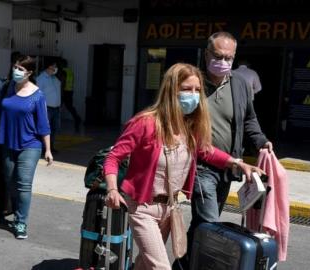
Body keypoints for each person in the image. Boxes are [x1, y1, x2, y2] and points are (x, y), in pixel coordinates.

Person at [103, 63, 263, 270]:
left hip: (170, 208)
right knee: (160, 267)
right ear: (171, 90)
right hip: (142, 208)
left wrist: (238, 164)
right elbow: (113, 157)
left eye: (197, 90)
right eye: (187, 89)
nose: (193, 95)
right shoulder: (145, 123)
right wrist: (113, 189)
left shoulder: (189, 126)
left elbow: (206, 151)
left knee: (144, 264)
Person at [175, 32, 273, 268]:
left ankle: (185, 264)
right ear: (206, 53)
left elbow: (249, 118)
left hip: (228, 168)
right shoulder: (193, 83)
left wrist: (261, 140)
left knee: (202, 223)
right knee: (209, 222)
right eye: (218, 56)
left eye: (229, 57)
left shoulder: (239, 84)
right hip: (202, 166)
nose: (223, 61)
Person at [0, 55, 53, 239]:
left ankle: (21, 222)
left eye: (21, 69)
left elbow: (44, 125)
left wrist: (48, 150)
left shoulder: (37, 95)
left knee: (23, 184)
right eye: (15, 67)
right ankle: (15, 212)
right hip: (7, 142)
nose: (16, 71)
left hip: (30, 145)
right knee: (10, 182)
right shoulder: (8, 88)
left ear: (29, 72)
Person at [36, 60, 61, 153]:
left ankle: (50, 146)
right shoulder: (41, 78)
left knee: (54, 129)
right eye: (53, 67)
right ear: (48, 67)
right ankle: (43, 148)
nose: (55, 69)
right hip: (47, 108)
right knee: (45, 129)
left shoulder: (55, 78)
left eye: (55, 67)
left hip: (56, 108)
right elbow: (38, 94)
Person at [58, 58, 81, 131]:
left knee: (57, 107)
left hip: (64, 91)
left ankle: (54, 123)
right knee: (70, 107)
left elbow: (63, 83)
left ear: (62, 64)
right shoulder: (70, 72)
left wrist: (61, 93)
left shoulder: (63, 72)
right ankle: (77, 118)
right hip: (70, 91)